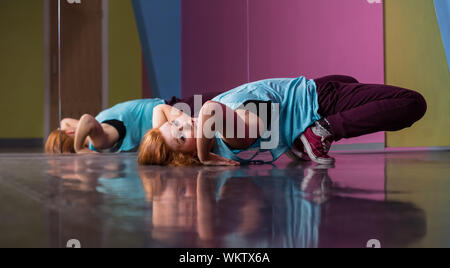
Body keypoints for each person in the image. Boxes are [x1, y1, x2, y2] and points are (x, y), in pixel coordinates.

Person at [138, 75, 427, 166]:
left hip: (305, 93)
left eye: (177, 123)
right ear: (184, 156)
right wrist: (204, 157)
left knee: (349, 81)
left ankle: (304, 139)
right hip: (315, 100)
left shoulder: (209, 133)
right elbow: (210, 111)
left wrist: (163, 128)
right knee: (413, 104)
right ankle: (320, 132)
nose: (184, 124)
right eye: (180, 136)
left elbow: (162, 112)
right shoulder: (228, 135)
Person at [45, 92, 222, 154]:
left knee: (227, 112)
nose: (66, 124)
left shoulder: (98, 130)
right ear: (70, 133)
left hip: (172, 113)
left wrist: (73, 145)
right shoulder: (97, 140)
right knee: (226, 106)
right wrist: (78, 146)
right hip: (174, 116)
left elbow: (70, 121)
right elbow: (86, 120)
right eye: (66, 129)